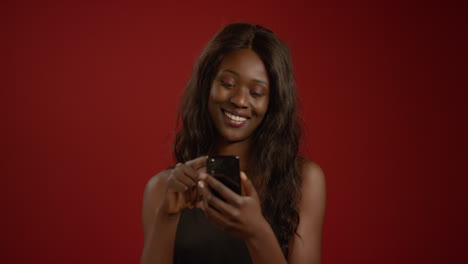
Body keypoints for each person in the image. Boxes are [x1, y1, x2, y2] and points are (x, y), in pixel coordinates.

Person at [140, 23, 326, 264]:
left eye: (256, 92)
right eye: (228, 84)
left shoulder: (303, 180)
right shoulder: (161, 188)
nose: (239, 100)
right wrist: (167, 214)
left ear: (274, 102)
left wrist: (256, 230)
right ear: (207, 85)